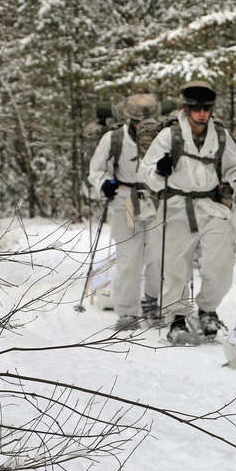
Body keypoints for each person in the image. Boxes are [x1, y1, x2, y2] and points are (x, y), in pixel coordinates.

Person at [139, 80, 236, 345]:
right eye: (196, 108)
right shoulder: (169, 136)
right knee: (175, 266)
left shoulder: (221, 136)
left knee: (222, 261)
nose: (202, 113)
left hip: (210, 205)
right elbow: (145, 171)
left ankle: (207, 309)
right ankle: (177, 319)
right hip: (176, 205)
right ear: (186, 108)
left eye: (207, 107)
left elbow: (235, 166)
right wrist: (160, 169)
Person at [88, 93, 163, 330]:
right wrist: (105, 183)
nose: (145, 126)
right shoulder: (114, 138)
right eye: (141, 121)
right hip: (125, 202)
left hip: (157, 201)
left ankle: (152, 301)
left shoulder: (164, 137)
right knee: (129, 258)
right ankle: (127, 311)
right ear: (130, 119)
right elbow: (96, 170)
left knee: (158, 257)